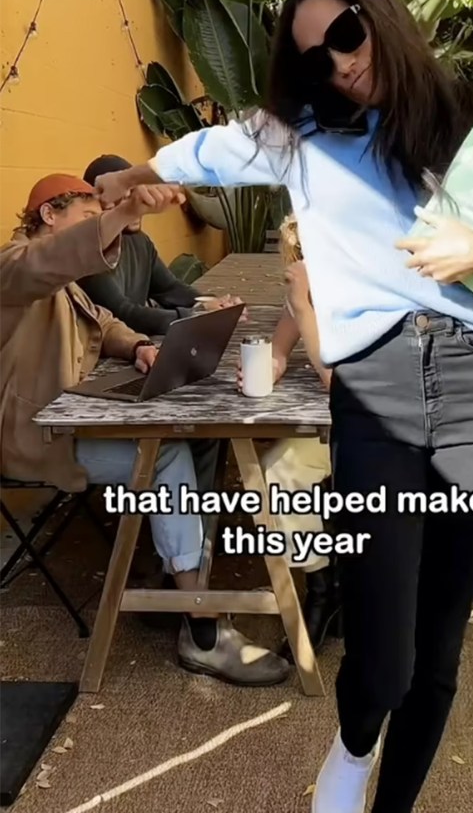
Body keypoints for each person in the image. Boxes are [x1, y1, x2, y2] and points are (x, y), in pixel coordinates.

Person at [91, 0, 473, 813]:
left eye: (346, 36)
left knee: (437, 645)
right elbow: (205, 149)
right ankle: (355, 748)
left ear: (380, 16)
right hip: (377, 388)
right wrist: (130, 179)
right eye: (314, 59)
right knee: (383, 643)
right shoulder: (307, 141)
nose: (339, 64)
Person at [0, 173, 288, 688]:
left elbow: (103, 320)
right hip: (35, 438)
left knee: (194, 443)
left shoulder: (60, 282)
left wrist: (136, 347)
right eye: (87, 221)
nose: (100, 236)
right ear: (49, 216)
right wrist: (124, 211)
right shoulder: (13, 269)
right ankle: (200, 626)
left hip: (75, 420)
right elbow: (49, 265)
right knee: (166, 454)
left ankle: (173, 571)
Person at [237, 214, 342, 655]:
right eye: (298, 257)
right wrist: (268, 367)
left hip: (385, 430)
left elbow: (339, 383)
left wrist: (304, 308)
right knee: (272, 468)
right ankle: (323, 584)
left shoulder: (366, 293)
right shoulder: (310, 293)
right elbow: (279, 349)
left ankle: (325, 591)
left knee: (283, 471)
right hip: (336, 427)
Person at [79, 154, 244, 336]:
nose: (139, 202)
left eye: (138, 192)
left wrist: (213, 304)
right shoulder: (92, 253)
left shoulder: (140, 241)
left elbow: (169, 288)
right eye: (127, 196)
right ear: (102, 202)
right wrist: (196, 315)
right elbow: (124, 314)